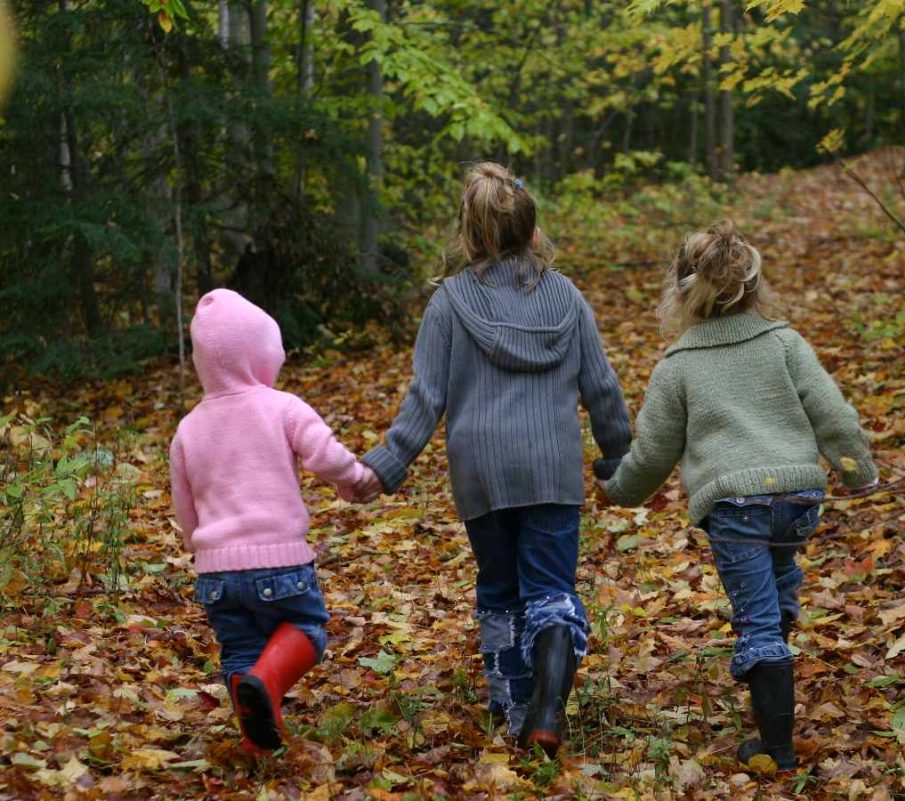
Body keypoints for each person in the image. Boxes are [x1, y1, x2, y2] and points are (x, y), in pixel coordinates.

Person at [355, 162, 631, 756]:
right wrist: (617, 456)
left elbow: (425, 398)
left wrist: (384, 464)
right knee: (551, 588)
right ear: (533, 231)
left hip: (481, 472)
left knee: (501, 590)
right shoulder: (567, 297)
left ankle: (514, 712)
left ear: (469, 236)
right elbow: (602, 386)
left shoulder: (450, 304)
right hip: (551, 468)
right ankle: (549, 706)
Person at [600, 221, 878, 773]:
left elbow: (653, 453)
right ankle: (779, 632)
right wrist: (858, 472)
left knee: (755, 619)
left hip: (735, 508)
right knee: (777, 582)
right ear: (754, 285)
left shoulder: (679, 365)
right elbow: (833, 415)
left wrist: (619, 491)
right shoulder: (783, 343)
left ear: (681, 290)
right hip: (798, 500)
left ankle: (775, 747)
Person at [169, 289, 378, 755]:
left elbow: (184, 500)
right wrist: (355, 479)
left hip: (216, 573)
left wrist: (194, 543)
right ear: (260, 354)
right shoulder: (281, 406)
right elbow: (324, 454)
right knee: (307, 629)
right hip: (279, 562)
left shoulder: (189, 427)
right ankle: (267, 680)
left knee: (240, 649)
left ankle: (260, 746)